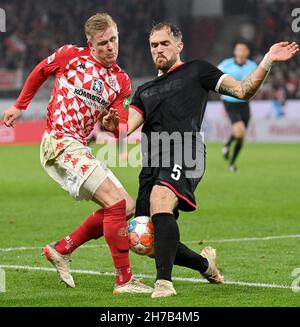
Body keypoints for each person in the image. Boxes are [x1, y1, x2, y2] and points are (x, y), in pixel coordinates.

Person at [104, 22, 299, 298]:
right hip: (152, 163)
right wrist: (113, 125)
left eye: (164, 43)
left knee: (161, 198)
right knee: (147, 241)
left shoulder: (197, 70)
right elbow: (125, 130)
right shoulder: (144, 90)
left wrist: (267, 60)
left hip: (185, 151)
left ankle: (164, 283)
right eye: (153, 45)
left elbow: (243, 90)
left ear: (179, 45)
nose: (158, 49)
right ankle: (206, 265)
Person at [2, 13, 153, 295]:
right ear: (91, 44)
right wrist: (20, 106)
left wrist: (112, 127)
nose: (111, 47)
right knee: (116, 203)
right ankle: (124, 280)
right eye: (104, 42)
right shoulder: (71, 56)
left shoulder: (121, 81)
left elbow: (121, 129)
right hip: (59, 141)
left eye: (114, 39)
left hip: (80, 146)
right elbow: (39, 72)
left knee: (125, 206)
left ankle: (62, 249)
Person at [218, 41, 257, 172]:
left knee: (241, 136)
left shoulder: (252, 66)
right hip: (230, 101)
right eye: (238, 49)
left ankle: (231, 161)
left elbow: (258, 81)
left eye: (243, 50)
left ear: (247, 52)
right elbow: (216, 78)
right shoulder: (225, 64)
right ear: (235, 52)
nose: (240, 52)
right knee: (239, 131)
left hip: (245, 102)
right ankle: (229, 153)